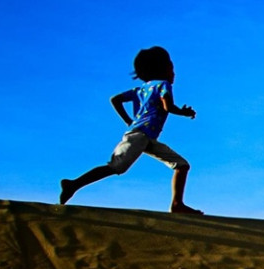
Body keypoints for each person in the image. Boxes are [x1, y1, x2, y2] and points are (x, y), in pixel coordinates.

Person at [59, 46, 201, 215]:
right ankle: (73, 184)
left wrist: (129, 121)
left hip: (146, 138)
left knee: (182, 165)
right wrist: (184, 112)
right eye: (171, 67)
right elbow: (167, 106)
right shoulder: (163, 85)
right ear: (161, 69)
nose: (174, 72)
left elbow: (115, 99)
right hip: (139, 136)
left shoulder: (141, 89)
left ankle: (177, 204)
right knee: (115, 167)